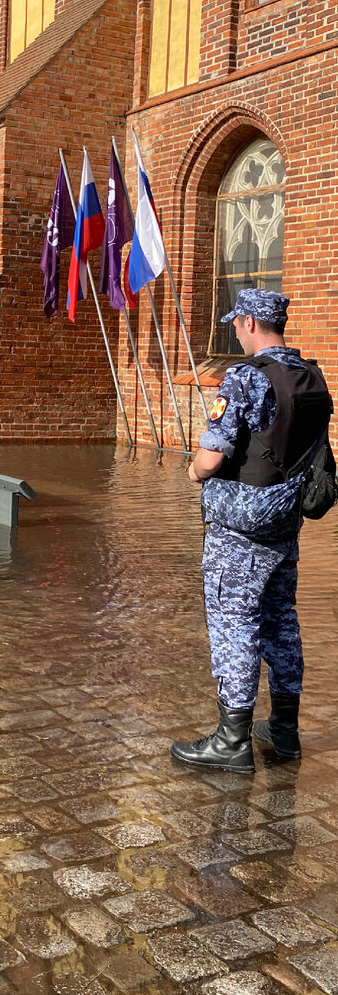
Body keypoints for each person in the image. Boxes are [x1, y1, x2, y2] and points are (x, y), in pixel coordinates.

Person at [172, 289, 332, 773]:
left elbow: (212, 457)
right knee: (281, 619)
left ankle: (231, 740)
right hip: (285, 520)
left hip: (239, 527)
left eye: (237, 324)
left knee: (234, 622)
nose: (235, 331)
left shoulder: (244, 377)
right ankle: (284, 730)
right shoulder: (311, 375)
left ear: (248, 323)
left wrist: (195, 472)